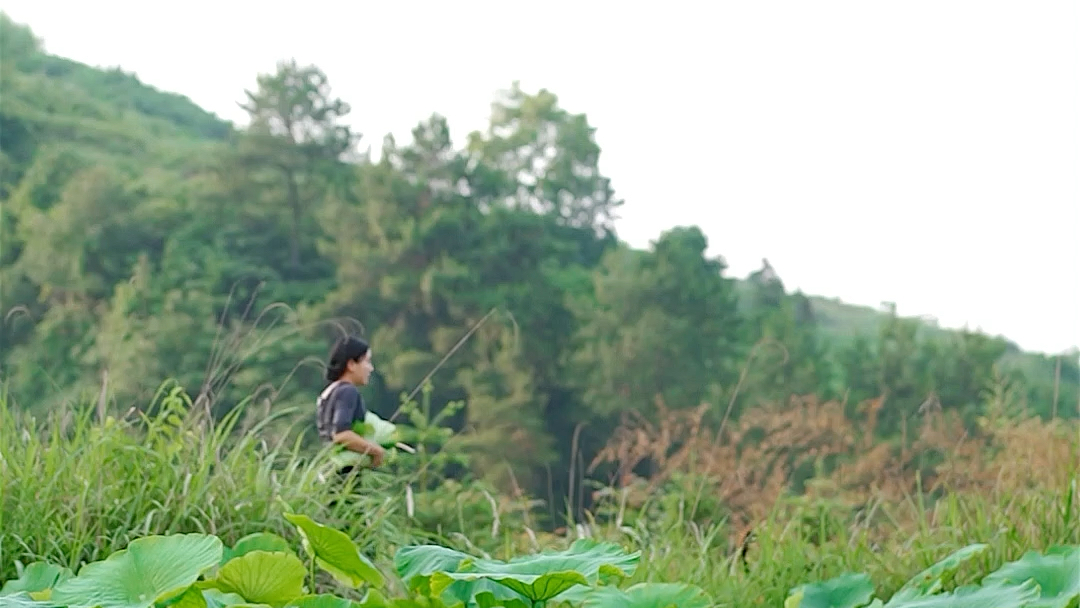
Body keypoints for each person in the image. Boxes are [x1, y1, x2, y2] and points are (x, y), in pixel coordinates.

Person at [317, 336, 386, 475]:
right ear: (351, 365)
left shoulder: (329, 392)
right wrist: (376, 451)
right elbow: (341, 434)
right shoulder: (348, 391)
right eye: (367, 361)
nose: (371, 368)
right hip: (344, 476)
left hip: (329, 469)